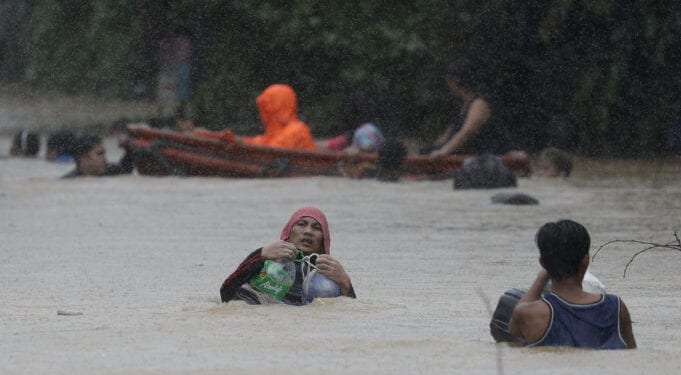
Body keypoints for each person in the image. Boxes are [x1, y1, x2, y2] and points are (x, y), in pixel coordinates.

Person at [508, 220, 636, 349]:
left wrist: (541, 278)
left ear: (542, 263)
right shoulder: (616, 307)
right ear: (585, 261)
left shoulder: (531, 314)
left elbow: (513, 328)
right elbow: (632, 353)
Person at [219, 207, 356, 305]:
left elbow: (349, 315)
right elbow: (225, 293)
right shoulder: (266, 261)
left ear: (323, 241)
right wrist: (260, 255)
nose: (308, 231)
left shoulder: (329, 275)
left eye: (316, 228)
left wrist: (346, 283)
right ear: (288, 234)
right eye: (301, 224)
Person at [181, 84, 316, 150]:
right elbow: (257, 142)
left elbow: (269, 152)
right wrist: (211, 135)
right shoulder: (276, 132)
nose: (261, 114)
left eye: (266, 109)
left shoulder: (297, 130)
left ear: (276, 108)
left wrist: (237, 143)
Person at [424, 58, 513, 158]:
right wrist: (433, 149)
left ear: (455, 81)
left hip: (487, 157)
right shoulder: (463, 105)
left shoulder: (479, 103)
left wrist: (444, 151)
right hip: (469, 157)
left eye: (449, 80)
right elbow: (447, 136)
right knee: (426, 151)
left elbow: (467, 133)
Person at [317, 90, 385, 154]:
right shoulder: (373, 128)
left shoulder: (361, 132)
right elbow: (335, 143)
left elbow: (368, 146)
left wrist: (356, 149)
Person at [62, 135, 134, 178]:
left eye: (104, 153)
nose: (105, 158)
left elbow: (127, 170)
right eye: (100, 154)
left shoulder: (110, 171)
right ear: (84, 159)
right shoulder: (71, 180)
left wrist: (128, 150)